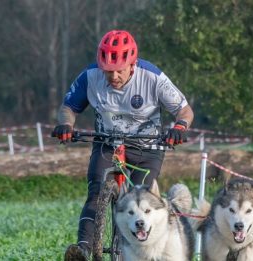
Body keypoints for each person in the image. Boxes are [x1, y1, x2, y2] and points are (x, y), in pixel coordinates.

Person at [52, 30, 194, 260]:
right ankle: (84, 250)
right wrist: (66, 125)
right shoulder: (90, 76)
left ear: (133, 64)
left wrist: (179, 128)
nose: (114, 76)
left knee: (141, 200)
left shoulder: (152, 77)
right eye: (108, 71)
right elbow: (69, 107)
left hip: (147, 145)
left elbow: (184, 110)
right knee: (97, 192)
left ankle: (135, 251)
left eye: (120, 69)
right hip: (107, 141)